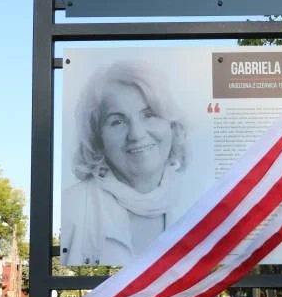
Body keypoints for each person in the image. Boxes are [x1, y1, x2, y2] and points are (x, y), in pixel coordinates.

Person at [61, 59, 189, 267]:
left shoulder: (200, 201)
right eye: (117, 121)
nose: (137, 134)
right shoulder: (72, 209)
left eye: (149, 114)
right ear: (97, 137)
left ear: (171, 124)